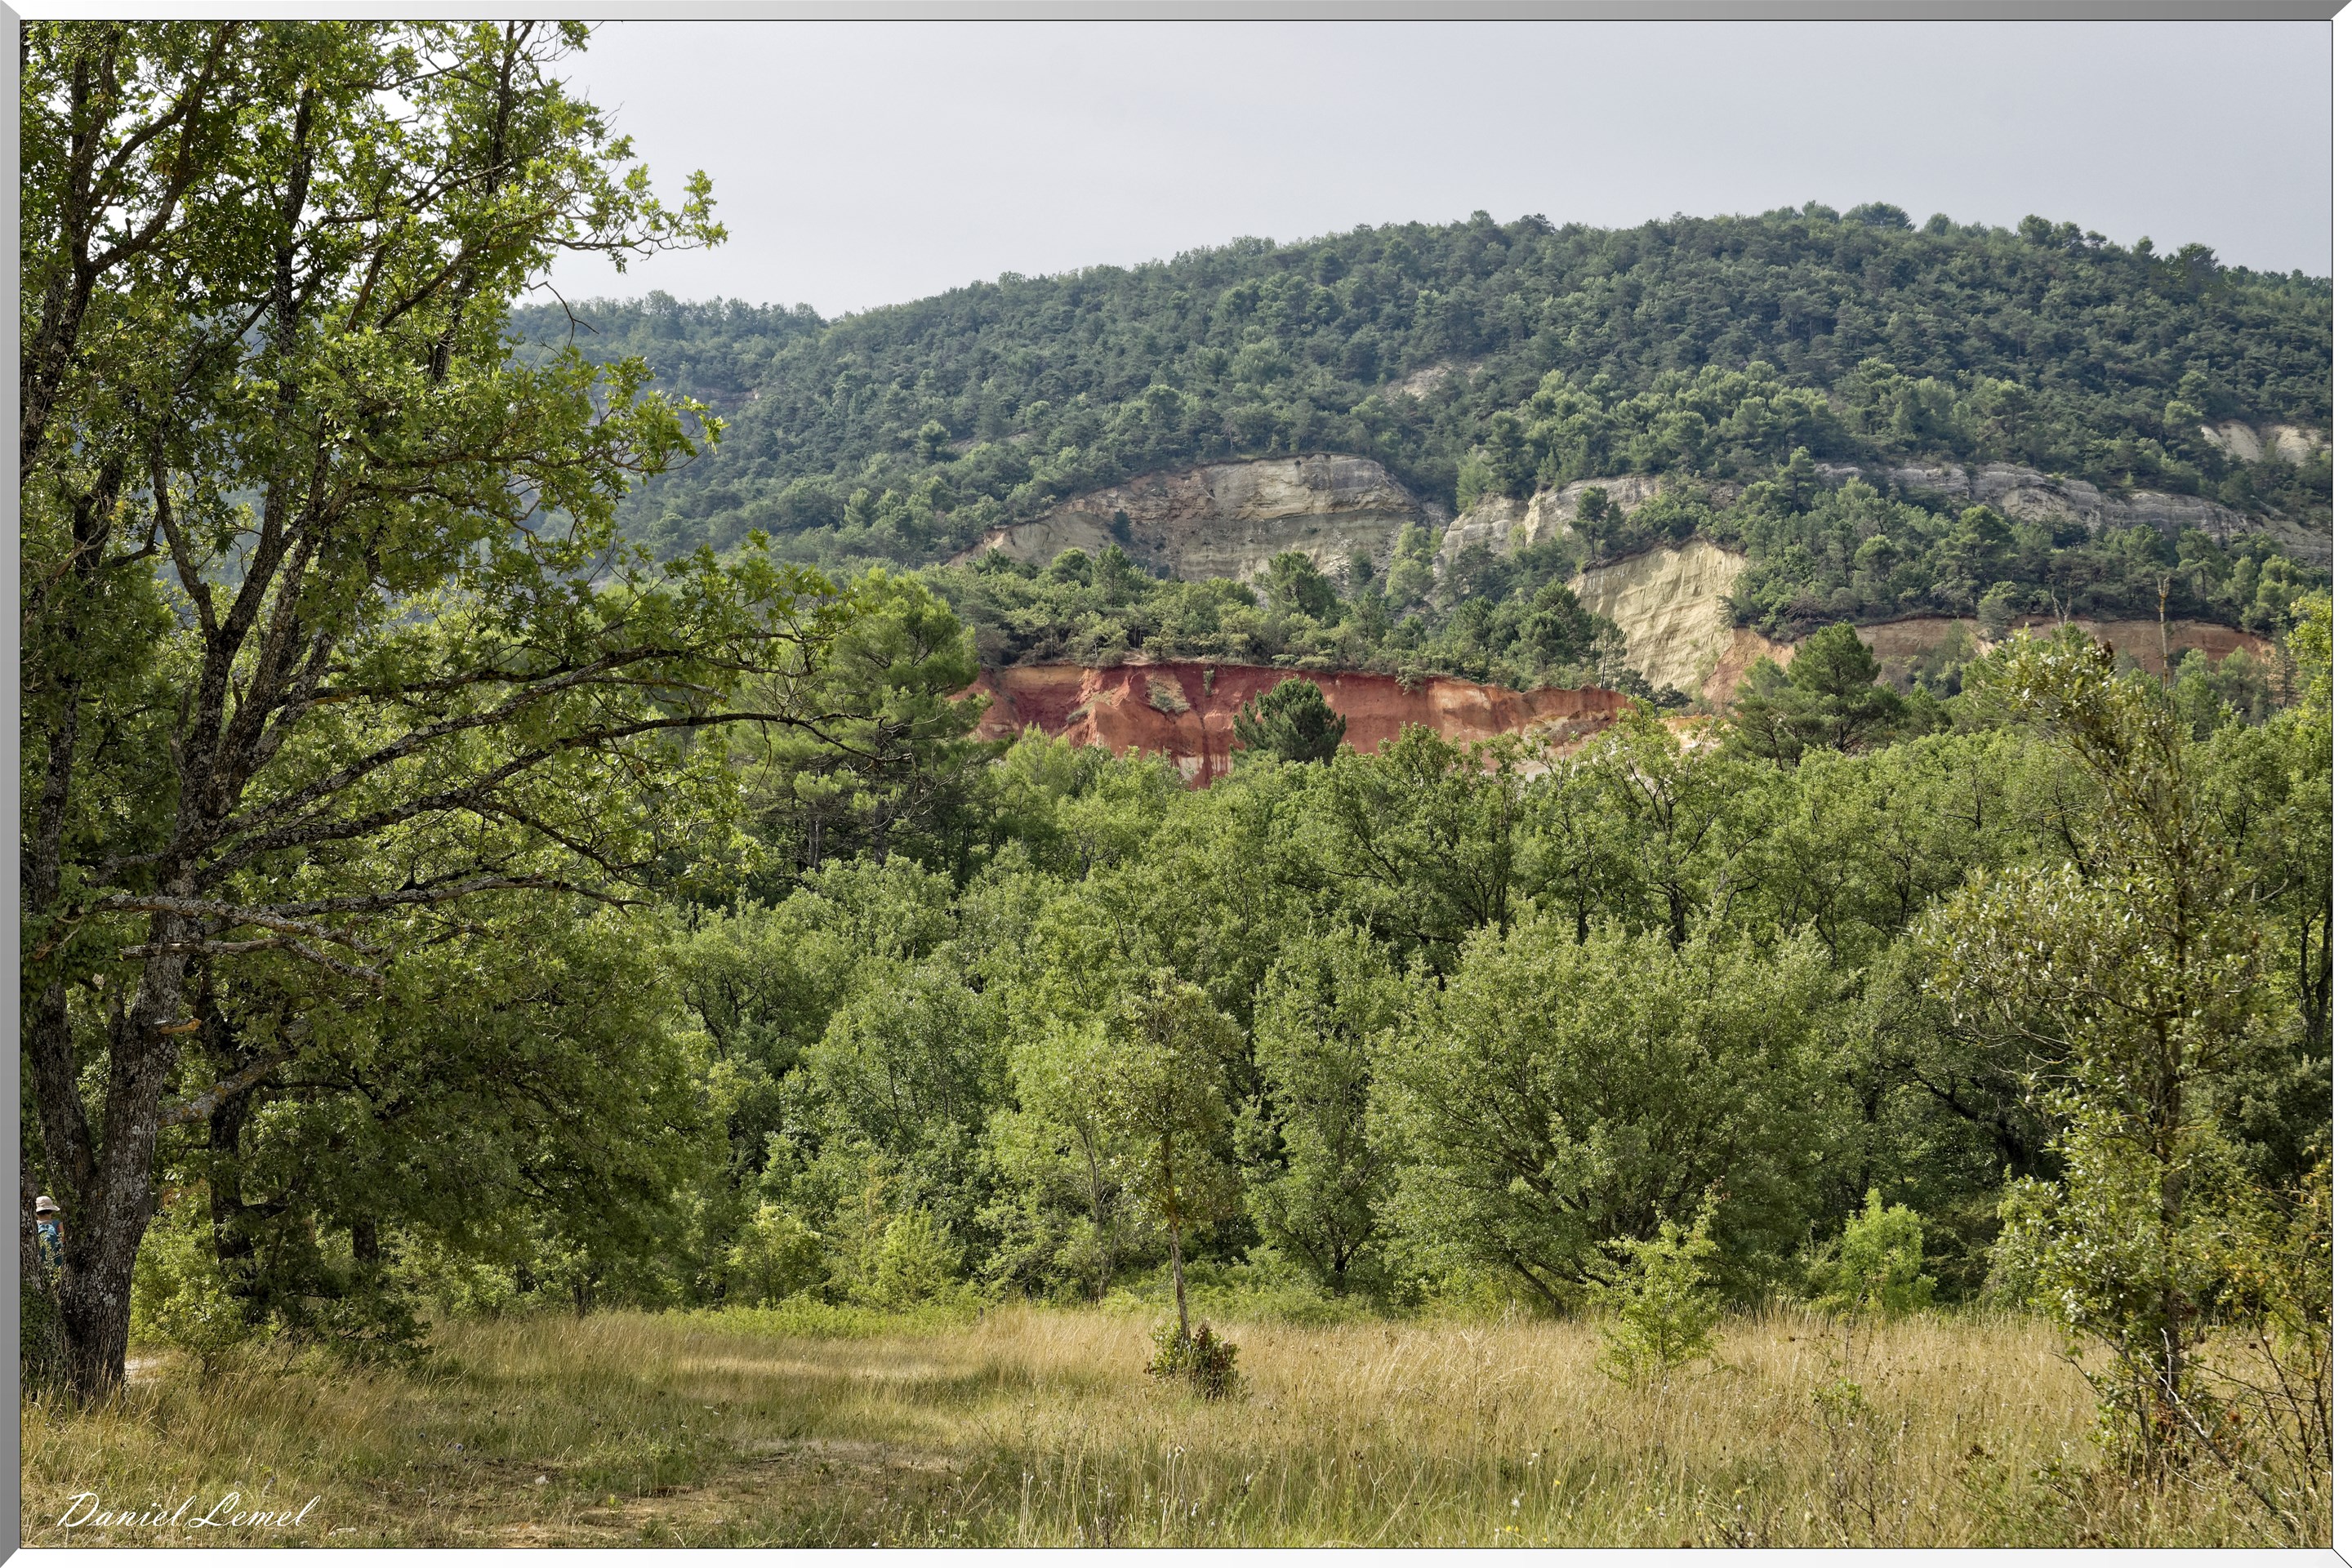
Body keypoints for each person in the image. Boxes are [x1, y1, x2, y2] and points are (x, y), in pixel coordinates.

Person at [33, 1195, 62, 1272]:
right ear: (51, 1211)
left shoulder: (32, 1226)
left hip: (37, 1267)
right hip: (57, 1267)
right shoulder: (58, 1224)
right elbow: (64, 1243)